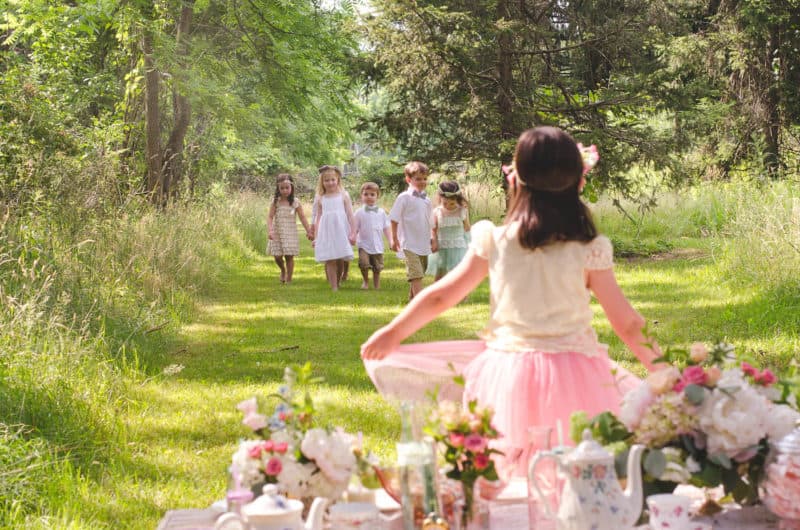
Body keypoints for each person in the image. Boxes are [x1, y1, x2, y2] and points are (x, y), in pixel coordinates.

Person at [361, 127, 660, 478]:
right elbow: (627, 324)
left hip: (508, 373)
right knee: (580, 466)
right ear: (578, 180)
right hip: (577, 372)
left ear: (516, 179)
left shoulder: (496, 239)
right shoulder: (588, 249)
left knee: (511, 465)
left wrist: (393, 333)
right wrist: (667, 371)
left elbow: (442, 295)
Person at [389, 161, 434, 301]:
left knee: (421, 270)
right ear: (409, 180)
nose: (422, 182)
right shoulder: (404, 198)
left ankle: (412, 298)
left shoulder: (427, 199)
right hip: (409, 243)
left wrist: (433, 238)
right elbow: (394, 219)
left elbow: (431, 221)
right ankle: (420, 303)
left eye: (425, 178)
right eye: (418, 179)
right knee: (416, 273)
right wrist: (394, 239)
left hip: (423, 242)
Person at [313, 165, 355, 291]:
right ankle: (334, 286)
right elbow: (318, 218)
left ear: (337, 180)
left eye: (333, 180)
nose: (330, 183)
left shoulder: (343, 195)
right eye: (327, 180)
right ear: (322, 182)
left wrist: (353, 232)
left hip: (341, 230)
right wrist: (316, 236)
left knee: (340, 257)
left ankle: (338, 279)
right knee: (330, 258)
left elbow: (350, 214)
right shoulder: (321, 197)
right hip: (326, 231)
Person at [267, 174, 312, 284]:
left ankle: (289, 278)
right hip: (277, 232)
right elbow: (270, 216)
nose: (285, 190)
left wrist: (309, 230)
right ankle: (283, 270)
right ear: (278, 189)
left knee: (289, 256)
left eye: (287, 188)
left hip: (290, 232)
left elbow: (302, 217)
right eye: (282, 188)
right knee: (277, 256)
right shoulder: (275, 202)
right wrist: (270, 230)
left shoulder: (295, 202)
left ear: (292, 188)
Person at [427, 180, 471, 281]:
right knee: (440, 273)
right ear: (440, 199)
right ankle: (437, 294)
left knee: (458, 273)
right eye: (445, 203)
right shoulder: (437, 211)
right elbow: (433, 230)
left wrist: (469, 242)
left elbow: (467, 228)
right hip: (442, 245)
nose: (448, 206)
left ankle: (462, 295)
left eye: (452, 203)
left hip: (458, 246)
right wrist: (434, 241)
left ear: (457, 200)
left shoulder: (462, 211)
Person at [353, 182, 392, 290]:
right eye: (366, 194)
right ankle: (365, 281)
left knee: (377, 267)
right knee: (364, 263)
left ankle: (377, 285)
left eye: (372, 194)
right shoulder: (359, 212)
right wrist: (352, 237)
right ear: (361, 196)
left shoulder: (381, 212)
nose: (369, 197)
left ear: (377, 196)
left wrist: (390, 241)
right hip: (364, 244)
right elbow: (355, 228)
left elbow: (386, 227)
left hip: (377, 245)